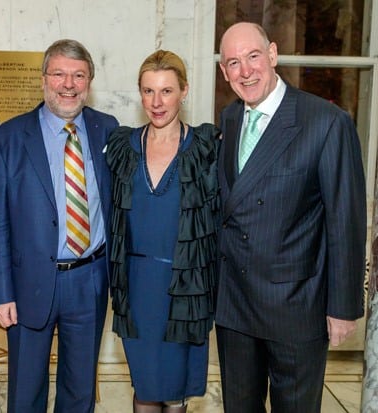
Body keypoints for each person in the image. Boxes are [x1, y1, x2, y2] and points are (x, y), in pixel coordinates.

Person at [215, 22, 366, 413]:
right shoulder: (229, 119)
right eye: (233, 62)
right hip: (234, 304)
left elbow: (345, 220)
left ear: (273, 54)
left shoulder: (326, 123)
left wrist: (343, 306)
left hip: (296, 307)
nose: (245, 71)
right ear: (224, 72)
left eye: (252, 57)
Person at [0, 39, 118, 413]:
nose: (68, 84)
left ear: (89, 82)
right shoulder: (7, 138)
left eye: (78, 75)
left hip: (90, 278)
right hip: (29, 283)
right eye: (59, 74)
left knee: (80, 392)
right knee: (26, 392)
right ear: (43, 79)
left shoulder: (107, 129)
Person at [106, 50, 220, 413]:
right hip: (137, 287)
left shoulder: (205, 147)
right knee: (145, 386)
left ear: (184, 91)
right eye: (148, 91)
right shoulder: (122, 146)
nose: (157, 102)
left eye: (167, 91)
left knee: (173, 390)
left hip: (184, 287)